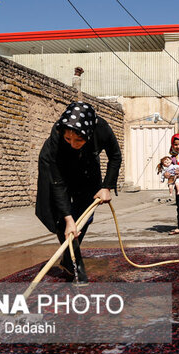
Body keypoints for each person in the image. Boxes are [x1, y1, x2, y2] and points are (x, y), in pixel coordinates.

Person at [36, 101, 121, 284]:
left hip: (86, 164)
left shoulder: (102, 129)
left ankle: (68, 259)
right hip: (55, 166)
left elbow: (115, 156)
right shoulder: (58, 134)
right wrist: (67, 218)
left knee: (84, 212)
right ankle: (76, 263)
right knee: (61, 216)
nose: (73, 144)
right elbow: (58, 183)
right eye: (69, 139)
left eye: (79, 140)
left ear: (89, 133)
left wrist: (106, 187)